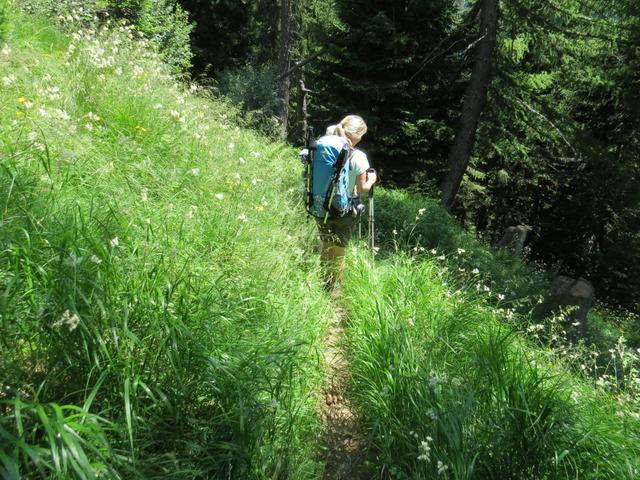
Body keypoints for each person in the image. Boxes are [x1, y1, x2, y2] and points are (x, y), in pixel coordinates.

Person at [317, 115, 377, 290]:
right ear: (356, 135)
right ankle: (335, 290)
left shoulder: (324, 148)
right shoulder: (358, 156)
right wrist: (372, 178)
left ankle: (324, 284)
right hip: (344, 209)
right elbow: (363, 187)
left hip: (321, 205)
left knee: (326, 245)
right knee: (339, 250)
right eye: (361, 135)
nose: (361, 138)